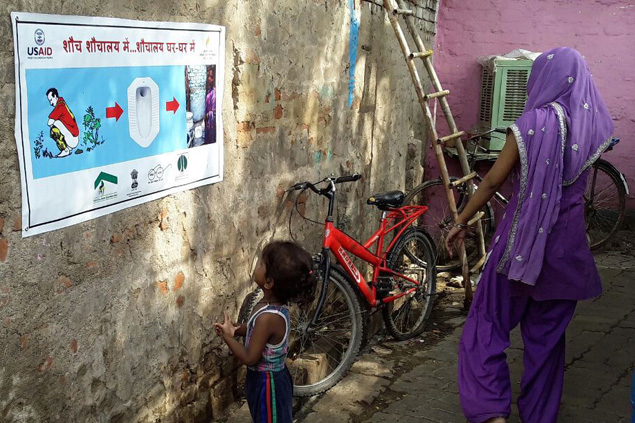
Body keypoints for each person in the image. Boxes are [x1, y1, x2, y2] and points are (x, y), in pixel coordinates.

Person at [445, 47, 614, 423]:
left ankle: (491, 413)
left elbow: (491, 182)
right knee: (547, 345)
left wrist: (459, 222)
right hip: (566, 253)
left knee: (485, 328)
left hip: (518, 249)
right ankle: (539, 416)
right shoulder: (594, 129)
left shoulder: (529, 126)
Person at [214, 241, 316, 423]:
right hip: (261, 379)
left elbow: (250, 357)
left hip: (269, 384)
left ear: (269, 282)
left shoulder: (269, 317)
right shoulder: (267, 305)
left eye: (261, 263)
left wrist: (228, 338)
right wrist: (237, 329)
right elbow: (255, 331)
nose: (257, 264)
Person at [46, 88, 79, 158]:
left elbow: (49, 122)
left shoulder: (60, 106)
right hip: (74, 135)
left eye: (51, 100)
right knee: (56, 124)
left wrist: (54, 122)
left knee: (54, 129)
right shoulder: (62, 103)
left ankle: (65, 150)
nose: (50, 103)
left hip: (72, 138)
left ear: (55, 96)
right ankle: (67, 148)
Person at [204, 67, 216, 145]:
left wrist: (207, 115)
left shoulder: (215, 93)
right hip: (207, 124)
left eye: (211, 77)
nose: (209, 79)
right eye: (208, 76)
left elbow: (215, 112)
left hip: (212, 125)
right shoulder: (209, 90)